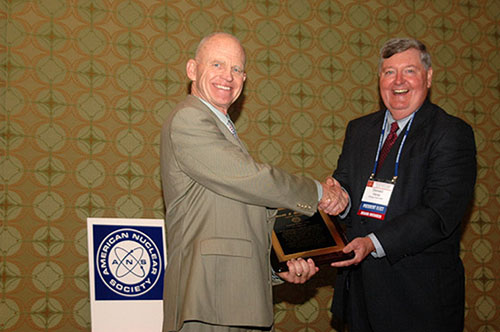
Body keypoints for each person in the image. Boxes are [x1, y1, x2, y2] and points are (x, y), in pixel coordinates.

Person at [160, 32, 348, 332]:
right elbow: (251, 179)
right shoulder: (189, 119)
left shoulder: (223, 130)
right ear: (192, 70)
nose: (228, 77)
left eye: (236, 69)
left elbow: (240, 217)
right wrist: (317, 192)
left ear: (245, 79)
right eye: (218, 65)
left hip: (236, 299)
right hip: (209, 300)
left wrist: (279, 265)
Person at [329, 37, 476, 332]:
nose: (398, 81)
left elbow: (439, 213)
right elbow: (345, 186)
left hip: (419, 300)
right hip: (360, 294)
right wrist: (339, 199)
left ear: (428, 77)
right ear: (379, 79)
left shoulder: (451, 133)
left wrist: (373, 243)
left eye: (409, 71)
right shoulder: (358, 130)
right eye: (388, 72)